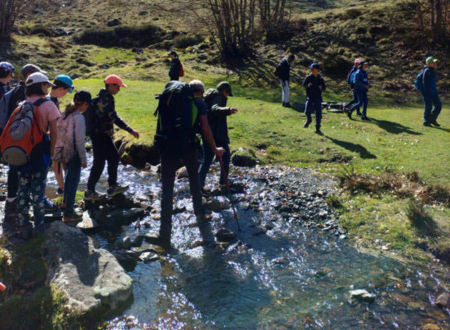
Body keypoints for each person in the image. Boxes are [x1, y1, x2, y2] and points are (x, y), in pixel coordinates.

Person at [153, 80, 225, 249]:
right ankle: (199, 214)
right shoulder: (198, 103)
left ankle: (164, 235)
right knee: (194, 178)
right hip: (188, 147)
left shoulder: (169, 98)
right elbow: (205, 128)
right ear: (199, 91)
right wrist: (215, 148)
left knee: (167, 189)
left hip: (167, 146)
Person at [12, 72, 60, 239]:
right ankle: (39, 226)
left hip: (21, 154)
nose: (48, 88)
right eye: (46, 85)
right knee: (38, 191)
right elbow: (54, 132)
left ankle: (23, 223)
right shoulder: (49, 106)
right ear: (40, 86)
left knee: (23, 190)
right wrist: (53, 154)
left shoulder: (21, 104)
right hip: (40, 154)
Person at [84, 74, 139, 200]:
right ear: (110, 85)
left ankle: (109, 186)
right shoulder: (106, 99)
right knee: (100, 162)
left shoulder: (101, 97)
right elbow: (114, 117)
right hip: (100, 135)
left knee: (111, 158)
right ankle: (93, 190)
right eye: (118, 87)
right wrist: (130, 130)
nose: (119, 90)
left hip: (99, 134)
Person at [2, 64, 43, 229]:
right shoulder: (21, 92)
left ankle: (14, 203)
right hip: (16, 137)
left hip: (11, 136)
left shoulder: (16, 90)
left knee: (15, 167)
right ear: (29, 76)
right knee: (16, 168)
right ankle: (14, 205)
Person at [54, 91, 90, 223]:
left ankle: (65, 202)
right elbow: (80, 141)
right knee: (73, 181)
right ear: (85, 104)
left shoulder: (65, 113)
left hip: (62, 151)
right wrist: (84, 159)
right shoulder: (79, 117)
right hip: (73, 152)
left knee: (68, 177)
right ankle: (69, 213)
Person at [199, 82, 238, 191]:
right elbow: (215, 109)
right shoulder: (218, 96)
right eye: (227, 93)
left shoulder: (211, 96)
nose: (227, 95)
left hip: (208, 133)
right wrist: (227, 110)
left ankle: (199, 184)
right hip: (218, 134)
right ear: (223, 90)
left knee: (207, 160)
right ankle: (223, 182)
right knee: (225, 157)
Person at [48, 74, 74, 196]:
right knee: (57, 163)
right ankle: (62, 188)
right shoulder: (49, 102)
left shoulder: (53, 100)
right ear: (61, 89)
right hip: (51, 139)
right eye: (66, 91)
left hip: (56, 138)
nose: (66, 94)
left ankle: (63, 187)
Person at [303, 63, 326, 135]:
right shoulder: (309, 77)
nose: (312, 70)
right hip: (310, 96)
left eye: (313, 69)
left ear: (317, 70)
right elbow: (304, 84)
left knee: (318, 113)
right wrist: (308, 85)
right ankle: (309, 120)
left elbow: (324, 88)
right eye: (311, 69)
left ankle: (317, 128)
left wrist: (321, 88)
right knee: (307, 111)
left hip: (318, 97)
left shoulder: (320, 78)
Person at [422, 56, 441, 127]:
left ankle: (432, 119)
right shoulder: (427, 70)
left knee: (438, 106)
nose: (435, 64)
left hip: (433, 92)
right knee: (428, 106)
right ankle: (426, 122)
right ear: (428, 63)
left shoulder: (431, 70)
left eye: (435, 62)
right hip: (428, 93)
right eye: (433, 62)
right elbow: (425, 83)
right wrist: (427, 93)